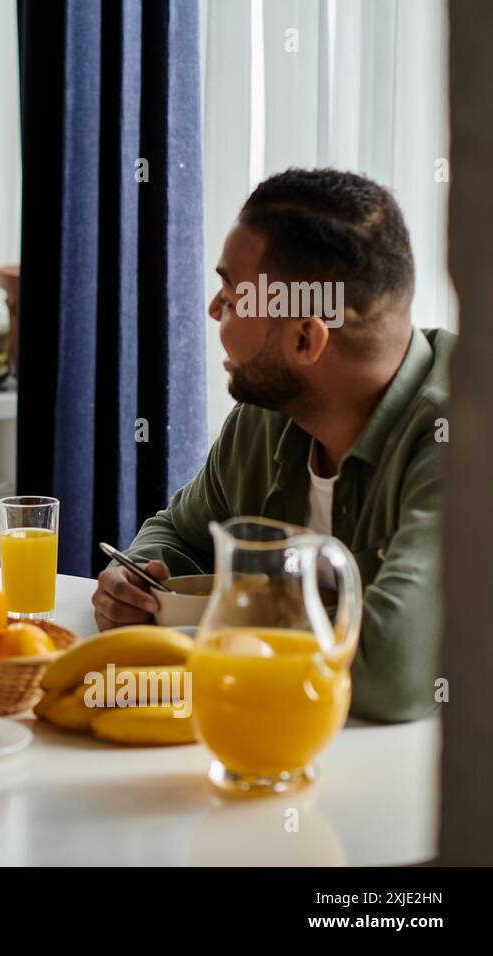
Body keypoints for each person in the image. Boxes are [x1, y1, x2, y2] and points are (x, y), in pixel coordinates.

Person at [92, 168, 451, 724]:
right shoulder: (266, 416)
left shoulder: (460, 441)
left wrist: (234, 610)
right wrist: (138, 581)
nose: (214, 310)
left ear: (306, 337)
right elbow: (178, 533)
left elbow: (391, 672)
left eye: (234, 296)